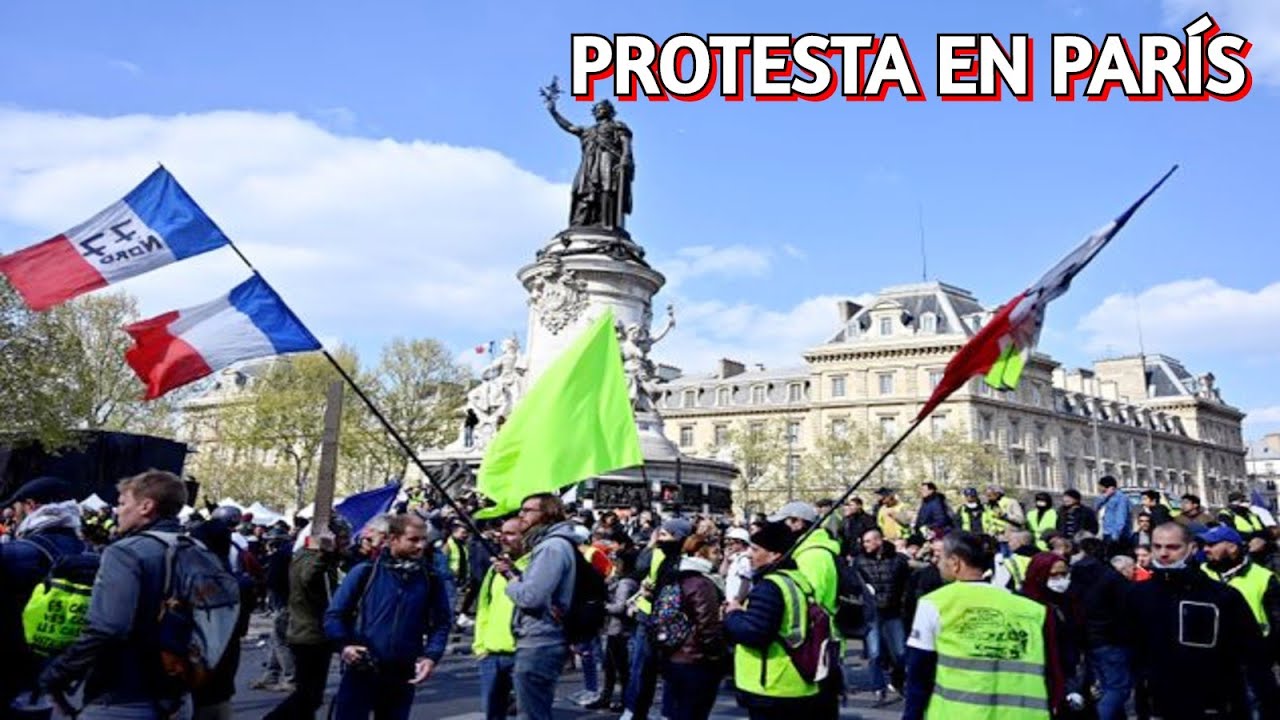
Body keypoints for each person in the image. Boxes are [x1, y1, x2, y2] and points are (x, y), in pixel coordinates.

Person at [39, 470, 198, 719]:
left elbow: (107, 626)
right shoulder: (195, 548)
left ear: (146, 506)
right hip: (178, 695)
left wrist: (57, 673)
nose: (117, 510)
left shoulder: (125, 552)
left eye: (123, 503)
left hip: (122, 695)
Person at [1124, 522, 1280, 718]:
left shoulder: (1221, 595)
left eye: (1173, 547)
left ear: (1191, 548)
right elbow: (1128, 647)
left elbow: (1251, 654)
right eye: (1157, 546)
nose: (1163, 553)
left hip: (1213, 702)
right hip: (1157, 702)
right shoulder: (1137, 594)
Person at [902, 531, 1056, 720]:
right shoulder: (1030, 609)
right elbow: (1052, 670)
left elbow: (919, 673)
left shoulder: (935, 604)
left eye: (940, 557)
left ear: (955, 562)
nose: (937, 563)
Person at [324, 513, 452, 720]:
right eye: (413, 540)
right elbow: (334, 615)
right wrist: (344, 646)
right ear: (393, 539)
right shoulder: (365, 572)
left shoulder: (431, 578)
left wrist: (431, 656)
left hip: (402, 674)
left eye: (423, 540)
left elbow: (442, 622)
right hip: (362, 669)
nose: (420, 546)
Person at [723, 521, 833, 719]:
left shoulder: (770, 587)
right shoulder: (796, 579)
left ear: (774, 555)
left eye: (756, 549)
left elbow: (754, 632)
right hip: (794, 681)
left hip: (772, 684)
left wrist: (733, 614)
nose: (749, 554)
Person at [0, 476, 88, 717]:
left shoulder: (21, 552)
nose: (14, 516)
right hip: (60, 676)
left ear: (31, 506)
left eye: (16, 508)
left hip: (12, 674)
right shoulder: (85, 550)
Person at [492, 493, 581, 720]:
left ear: (546, 514)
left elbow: (531, 597)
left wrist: (510, 583)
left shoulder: (551, 547)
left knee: (531, 714)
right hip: (540, 637)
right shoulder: (550, 544)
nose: (521, 516)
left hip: (541, 639)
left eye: (527, 510)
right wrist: (514, 572)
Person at [264, 515, 352, 720]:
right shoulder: (309, 557)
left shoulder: (324, 558)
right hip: (309, 633)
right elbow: (308, 577)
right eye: (343, 538)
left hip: (317, 632)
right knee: (308, 696)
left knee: (310, 697)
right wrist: (324, 554)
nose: (346, 543)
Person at [659, 534, 728, 720]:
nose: (720, 556)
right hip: (696, 658)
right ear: (700, 553)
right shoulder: (702, 583)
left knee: (678, 711)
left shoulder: (676, 574)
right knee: (694, 712)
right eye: (715, 552)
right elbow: (707, 625)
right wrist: (717, 656)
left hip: (674, 652)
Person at [472, 517, 529, 720]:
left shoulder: (535, 566)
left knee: (528, 713)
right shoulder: (494, 569)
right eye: (502, 533)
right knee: (493, 713)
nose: (503, 538)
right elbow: (484, 607)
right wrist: (480, 646)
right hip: (492, 654)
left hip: (523, 653)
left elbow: (534, 597)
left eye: (511, 533)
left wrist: (512, 573)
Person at [1199, 524, 1280, 662]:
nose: (1205, 549)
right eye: (1204, 544)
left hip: (1254, 656)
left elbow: (1277, 620)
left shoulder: (1263, 577)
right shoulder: (1200, 572)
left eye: (1212, 544)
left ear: (1232, 547)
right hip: (1212, 656)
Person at [1094, 476, 1131, 556]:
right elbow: (1096, 506)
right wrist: (1106, 495)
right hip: (1106, 532)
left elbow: (1121, 517)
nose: (1099, 488)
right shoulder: (1105, 497)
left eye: (1100, 486)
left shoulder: (1121, 498)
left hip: (1116, 535)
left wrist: (1115, 536)